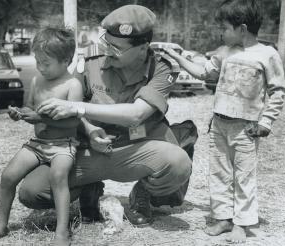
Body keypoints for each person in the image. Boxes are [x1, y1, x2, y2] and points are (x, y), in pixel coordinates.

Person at [18, 5, 193, 228]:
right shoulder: (91, 61)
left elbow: (136, 114)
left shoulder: (161, 67)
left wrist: (79, 108)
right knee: (32, 191)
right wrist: (89, 130)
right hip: (91, 147)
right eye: (106, 43)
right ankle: (89, 188)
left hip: (136, 147)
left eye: (117, 48)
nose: (108, 50)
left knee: (178, 164)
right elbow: (69, 103)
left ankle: (143, 193)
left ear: (143, 48)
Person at [164, 0, 285, 243]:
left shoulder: (267, 55)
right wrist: (176, 56)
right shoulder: (224, 52)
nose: (220, 32)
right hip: (219, 124)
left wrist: (266, 122)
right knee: (219, 173)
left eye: (224, 27)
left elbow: (278, 91)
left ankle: (242, 223)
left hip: (246, 128)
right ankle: (223, 218)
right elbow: (203, 72)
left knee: (243, 177)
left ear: (242, 28)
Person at [0, 27, 82, 246]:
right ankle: (1, 225)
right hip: (38, 144)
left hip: (63, 145)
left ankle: (62, 232)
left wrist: (40, 119)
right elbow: (29, 106)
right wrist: (19, 113)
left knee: (58, 176)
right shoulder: (38, 81)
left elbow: (73, 122)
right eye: (37, 61)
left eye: (45, 63)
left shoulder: (72, 85)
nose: (40, 67)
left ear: (66, 60)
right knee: (8, 175)